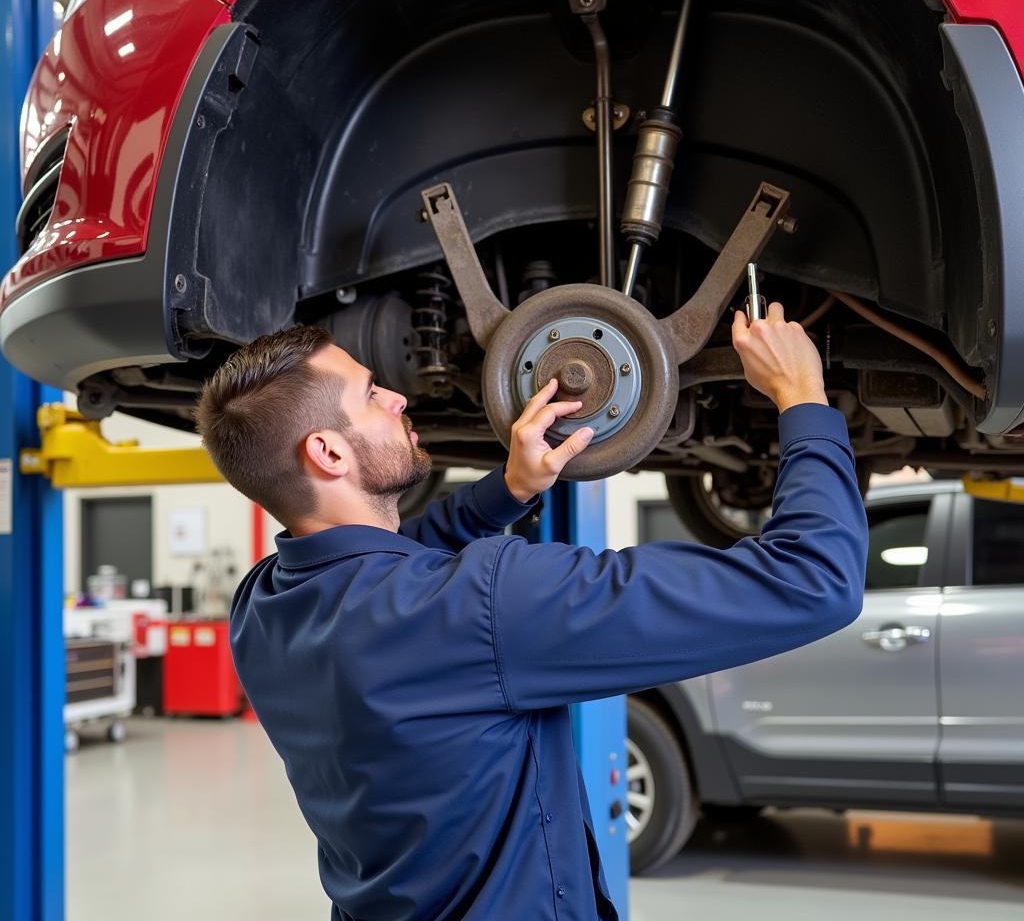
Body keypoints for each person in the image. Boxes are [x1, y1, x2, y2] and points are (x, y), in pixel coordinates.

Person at [195, 301, 867, 921]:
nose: (399, 395)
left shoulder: (265, 605)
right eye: (372, 395)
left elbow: (394, 560)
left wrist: (511, 488)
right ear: (329, 452)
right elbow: (814, 578)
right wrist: (802, 397)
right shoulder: (481, 605)